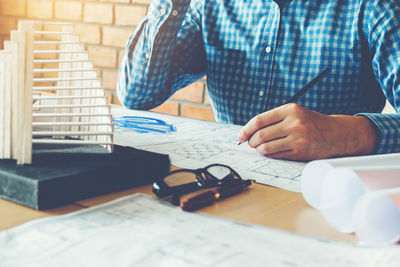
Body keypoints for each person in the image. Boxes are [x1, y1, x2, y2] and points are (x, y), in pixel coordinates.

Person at [117, 0, 400, 161]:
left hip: (327, 191)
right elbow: (137, 95)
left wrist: (355, 134)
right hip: (226, 182)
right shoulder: (208, 5)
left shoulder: (375, 8)